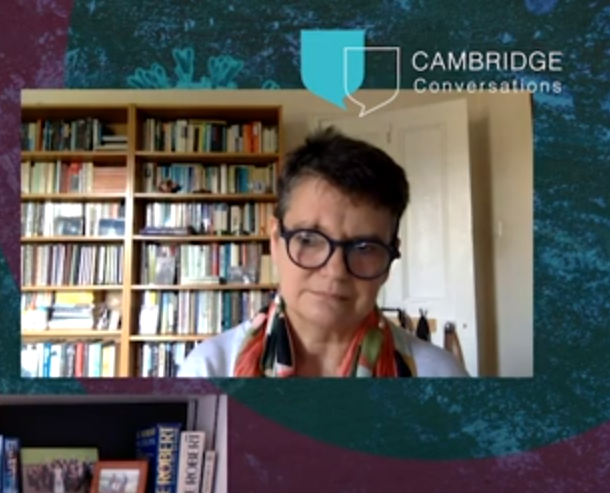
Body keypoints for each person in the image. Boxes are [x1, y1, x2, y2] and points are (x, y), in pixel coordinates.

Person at [179, 128, 469, 378]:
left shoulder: (441, 376)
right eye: (308, 239)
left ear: (391, 257)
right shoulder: (208, 371)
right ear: (276, 240)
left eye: (365, 247)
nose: (335, 270)